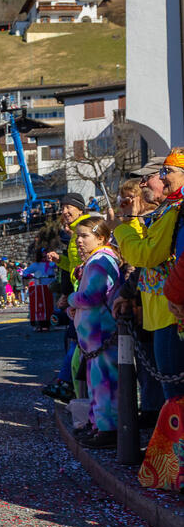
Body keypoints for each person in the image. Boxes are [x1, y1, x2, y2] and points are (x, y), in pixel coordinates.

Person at [114, 150, 184, 405]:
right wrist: (129, 221)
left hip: (170, 312)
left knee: (173, 393)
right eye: (161, 172)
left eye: (166, 172)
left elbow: (146, 256)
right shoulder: (167, 210)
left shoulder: (174, 210)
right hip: (162, 311)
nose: (143, 184)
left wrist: (120, 227)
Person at [67, 217, 122, 449]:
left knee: (104, 384)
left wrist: (71, 299)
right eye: (77, 236)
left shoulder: (101, 260)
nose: (79, 241)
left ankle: (108, 429)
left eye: (85, 236)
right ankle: (97, 425)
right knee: (96, 383)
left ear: (101, 238)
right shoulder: (95, 260)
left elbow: (93, 296)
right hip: (94, 338)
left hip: (101, 335)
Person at [23, 250, 56, 332]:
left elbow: (60, 267)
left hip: (50, 288)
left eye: (46, 256)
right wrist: (30, 276)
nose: (45, 258)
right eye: (43, 256)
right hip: (40, 289)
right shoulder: (35, 265)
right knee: (40, 306)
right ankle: (38, 323)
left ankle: (50, 322)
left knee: (51, 305)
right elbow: (25, 272)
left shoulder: (52, 264)